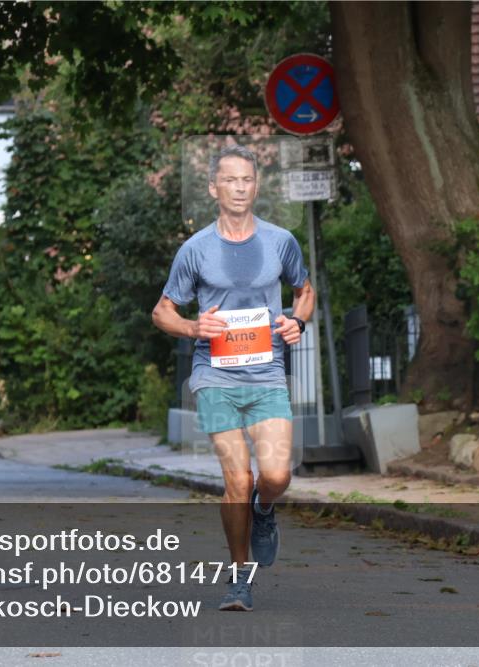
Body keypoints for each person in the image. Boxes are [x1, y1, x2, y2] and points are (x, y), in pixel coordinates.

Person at [152, 144, 315, 611]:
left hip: (267, 375)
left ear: (256, 187)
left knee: (276, 475)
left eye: (247, 180)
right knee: (237, 480)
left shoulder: (280, 241)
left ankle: (265, 508)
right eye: (230, 180)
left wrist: (297, 322)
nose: (239, 188)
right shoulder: (195, 249)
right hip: (215, 377)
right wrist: (192, 327)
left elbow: (304, 291)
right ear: (213, 188)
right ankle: (240, 578)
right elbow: (162, 311)